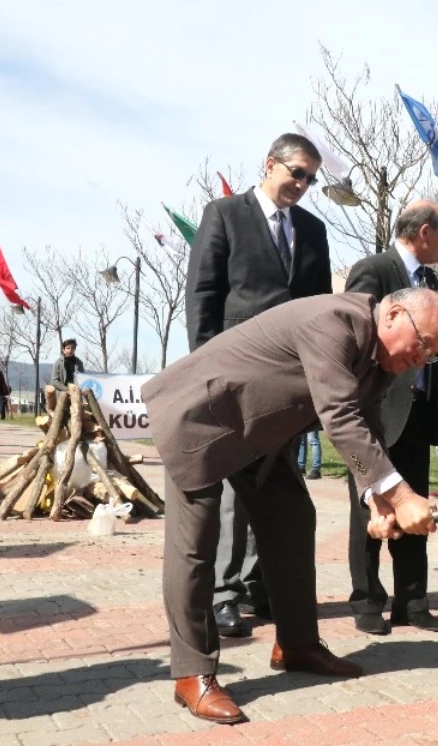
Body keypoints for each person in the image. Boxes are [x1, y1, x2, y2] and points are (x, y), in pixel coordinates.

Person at [145, 288, 438, 724]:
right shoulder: (334, 322)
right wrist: (402, 496)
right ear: (395, 315)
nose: (423, 360)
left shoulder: (378, 357)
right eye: (423, 344)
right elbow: (339, 416)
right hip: (202, 417)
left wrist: (378, 501)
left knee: (293, 519)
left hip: (257, 439)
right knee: (194, 546)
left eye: (434, 355)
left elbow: (368, 427)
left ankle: (297, 643)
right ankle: (192, 672)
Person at [187, 132, 332, 639]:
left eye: (311, 178)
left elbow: (317, 312)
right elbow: (204, 293)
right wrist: (204, 370)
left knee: (274, 480)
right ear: (270, 164)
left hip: (288, 382)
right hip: (234, 376)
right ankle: (224, 592)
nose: (303, 185)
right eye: (297, 173)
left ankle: (257, 583)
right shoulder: (225, 214)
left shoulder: (313, 230)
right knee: (234, 483)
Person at [342, 199, 438, 635]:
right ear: (425, 231)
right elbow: (356, 340)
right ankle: (367, 599)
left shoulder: (430, 280)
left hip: (418, 411)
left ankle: (413, 600)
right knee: (371, 503)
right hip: (379, 409)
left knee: (414, 502)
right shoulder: (373, 269)